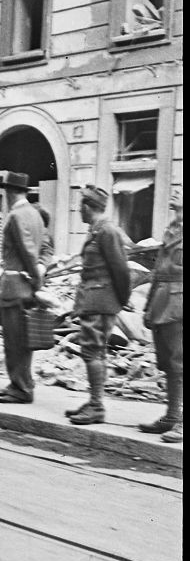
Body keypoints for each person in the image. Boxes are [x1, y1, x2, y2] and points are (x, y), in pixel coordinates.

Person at [66, 184, 132, 426]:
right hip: (94, 299)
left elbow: (121, 270)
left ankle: (96, 406)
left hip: (101, 300)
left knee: (92, 351)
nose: (78, 211)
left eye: (79, 206)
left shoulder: (107, 231)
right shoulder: (96, 229)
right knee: (95, 351)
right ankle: (95, 401)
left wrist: (122, 300)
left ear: (87, 206)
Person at [0, 172, 47, 404]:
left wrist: (35, 278)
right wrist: (37, 278)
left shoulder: (15, 215)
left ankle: (22, 388)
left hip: (15, 285)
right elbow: (42, 248)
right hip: (25, 284)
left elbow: (27, 251)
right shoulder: (35, 214)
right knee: (22, 339)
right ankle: (18, 381)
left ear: (9, 192)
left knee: (14, 340)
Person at [137, 187, 183, 443]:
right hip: (162, 303)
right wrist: (147, 306)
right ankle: (172, 416)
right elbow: (157, 273)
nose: (175, 192)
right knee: (168, 364)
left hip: (180, 305)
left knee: (182, 364)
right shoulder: (171, 230)